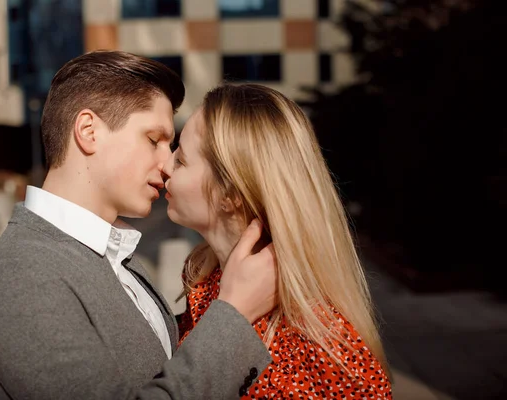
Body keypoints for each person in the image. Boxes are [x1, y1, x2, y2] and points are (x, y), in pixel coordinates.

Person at [0, 51, 277, 400]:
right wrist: (234, 312)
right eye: (153, 140)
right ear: (89, 131)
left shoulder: (110, 252)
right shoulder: (19, 276)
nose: (168, 163)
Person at [163, 83, 393, 398]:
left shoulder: (312, 339)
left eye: (181, 160)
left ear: (229, 195)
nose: (164, 166)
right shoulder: (205, 279)